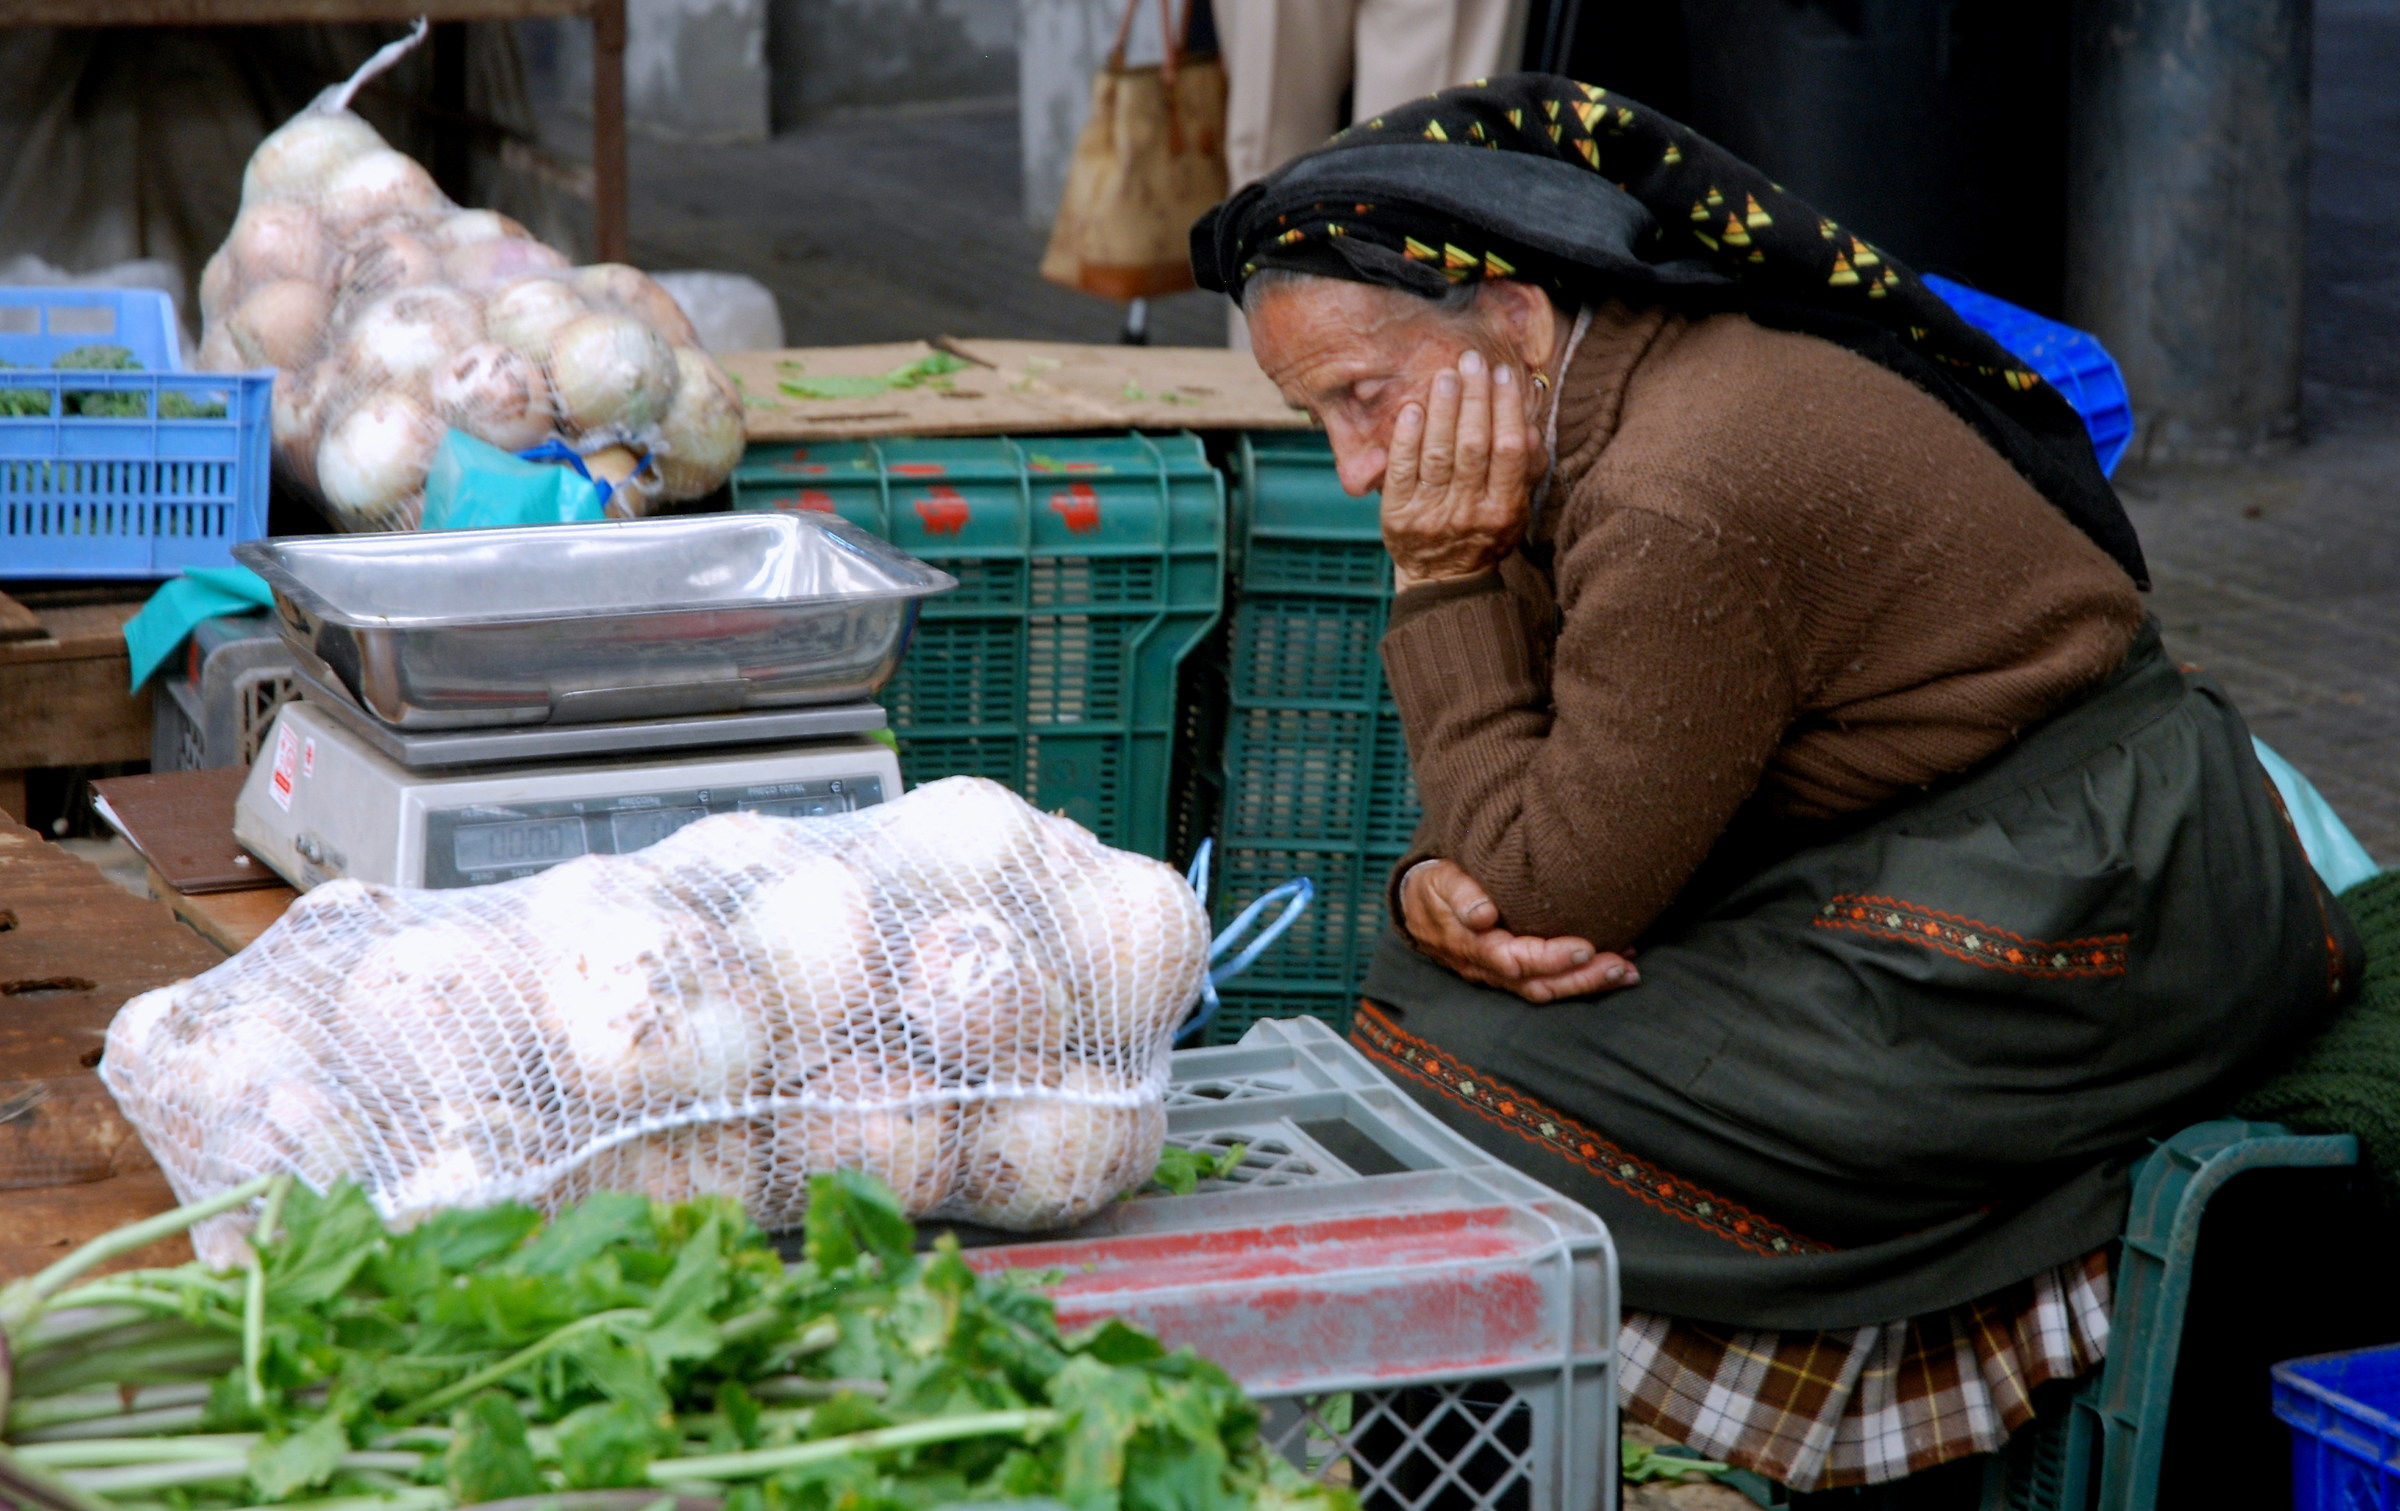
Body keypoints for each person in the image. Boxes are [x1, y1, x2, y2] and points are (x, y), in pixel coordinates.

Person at [1192, 76, 2358, 1504]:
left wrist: (1444, 586)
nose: (1360, 466)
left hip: (2088, 919)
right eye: (1322, 420)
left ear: (1512, 311)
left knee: (1432, 1064)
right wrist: (1450, 883)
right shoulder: (1613, 396)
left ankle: (1953, 1309)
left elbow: (1547, 886)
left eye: (1366, 401)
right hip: (1948, 852)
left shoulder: (1681, 484)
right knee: (1431, 990)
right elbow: (1536, 831)